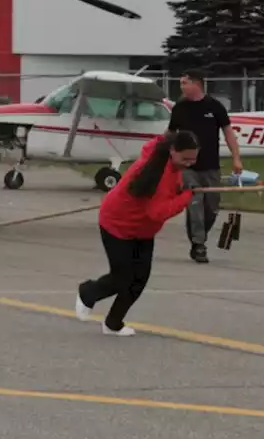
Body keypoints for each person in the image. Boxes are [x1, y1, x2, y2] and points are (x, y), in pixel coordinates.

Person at [76, 130, 200, 335]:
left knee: (139, 279)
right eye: (185, 158)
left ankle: (113, 323)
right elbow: (156, 212)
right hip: (117, 224)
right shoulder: (158, 174)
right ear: (172, 151)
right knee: (122, 277)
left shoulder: (162, 154)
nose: (189, 163)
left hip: (143, 230)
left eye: (193, 159)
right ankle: (88, 292)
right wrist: (186, 197)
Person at [167, 70, 243, 264]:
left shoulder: (215, 107)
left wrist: (236, 158)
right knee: (194, 204)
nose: (182, 86)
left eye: (185, 83)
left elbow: (228, 133)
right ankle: (199, 244)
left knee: (211, 207)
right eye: (181, 83)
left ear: (197, 84)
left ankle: (198, 237)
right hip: (187, 168)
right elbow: (170, 134)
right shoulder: (179, 108)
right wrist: (162, 153)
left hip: (211, 166)